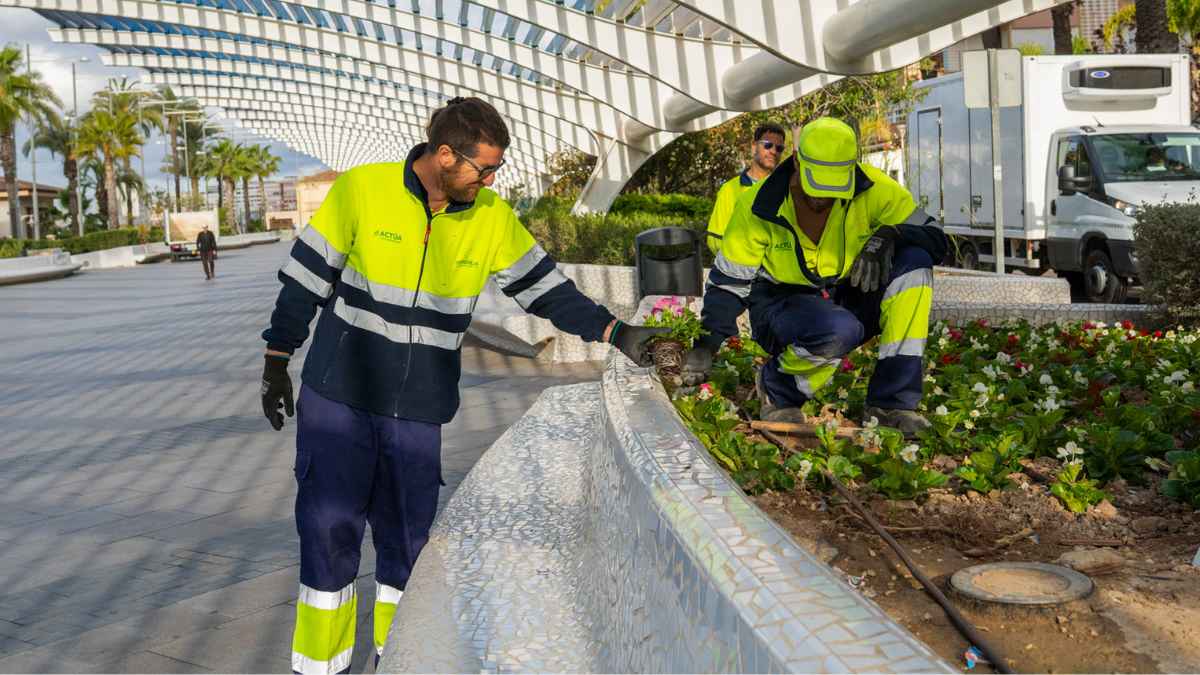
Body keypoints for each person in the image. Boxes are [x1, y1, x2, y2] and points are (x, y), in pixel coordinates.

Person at [259, 96, 665, 674]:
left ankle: (398, 661)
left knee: (407, 545)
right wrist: (277, 358)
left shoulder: (491, 217)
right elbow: (304, 281)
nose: (491, 179)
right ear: (445, 155)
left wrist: (615, 331)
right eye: (484, 168)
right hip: (338, 395)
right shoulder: (362, 190)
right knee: (328, 534)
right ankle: (320, 668)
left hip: (417, 408)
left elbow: (546, 291)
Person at [683, 117, 948, 435]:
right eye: (817, 187)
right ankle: (778, 389)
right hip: (781, 306)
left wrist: (891, 234)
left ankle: (891, 403)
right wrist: (706, 345)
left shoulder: (874, 188)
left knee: (915, 262)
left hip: (845, 295)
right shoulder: (758, 205)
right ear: (797, 161)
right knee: (839, 329)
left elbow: (936, 237)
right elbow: (728, 284)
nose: (823, 199)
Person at [705, 123, 786, 255]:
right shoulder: (729, 189)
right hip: (738, 266)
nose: (773, 151)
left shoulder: (785, 191)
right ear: (754, 147)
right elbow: (715, 239)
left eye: (779, 148)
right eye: (768, 145)